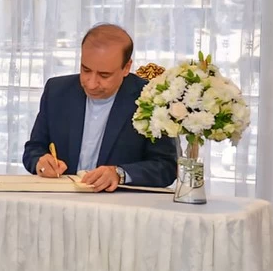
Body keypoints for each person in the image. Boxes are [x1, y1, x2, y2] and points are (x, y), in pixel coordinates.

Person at [22, 23, 177, 190]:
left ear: (126, 68)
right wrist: (40, 162)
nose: (91, 83)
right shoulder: (57, 91)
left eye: (104, 75)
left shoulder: (152, 98)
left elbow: (167, 167)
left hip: (120, 207)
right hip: (62, 201)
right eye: (85, 70)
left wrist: (120, 174)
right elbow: (34, 149)